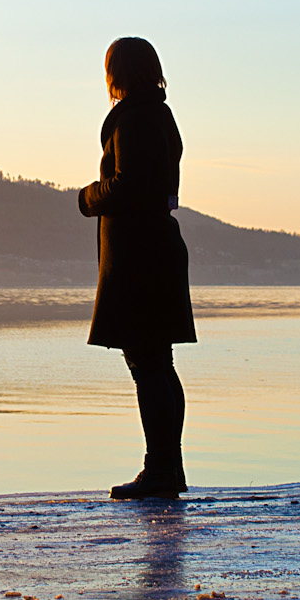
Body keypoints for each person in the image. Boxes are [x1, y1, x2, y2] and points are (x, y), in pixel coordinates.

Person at [78, 37, 197, 500]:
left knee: (147, 365)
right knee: (158, 363)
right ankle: (169, 467)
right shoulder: (159, 115)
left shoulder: (135, 118)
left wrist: (88, 196)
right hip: (157, 251)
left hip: (139, 258)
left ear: (118, 73)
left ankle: (161, 470)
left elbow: (126, 186)